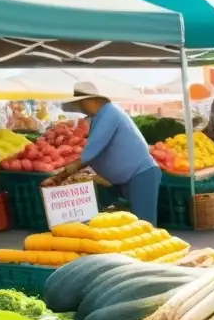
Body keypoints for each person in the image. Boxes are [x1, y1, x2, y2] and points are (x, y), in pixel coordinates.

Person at [61, 81, 161, 225]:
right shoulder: (99, 117)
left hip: (141, 174)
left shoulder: (110, 112)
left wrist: (75, 165)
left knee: (144, 226)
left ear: (90, 100)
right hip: (124, 179)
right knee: (127, 225)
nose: (81, 108)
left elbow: (96, 144)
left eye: (81, 103)